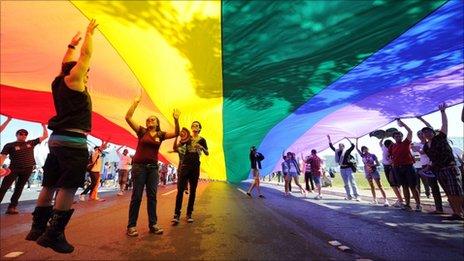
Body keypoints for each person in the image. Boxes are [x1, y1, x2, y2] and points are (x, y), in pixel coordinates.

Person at [26, 20, 98, 254]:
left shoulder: (59, 81)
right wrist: (88, 35)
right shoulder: (74, 82)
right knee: (68, 187)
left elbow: (63, 64)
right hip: (71, 143)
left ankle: (37, 228)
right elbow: (85, 56)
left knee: (48, 184)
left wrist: (70, 45)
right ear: (77, 71)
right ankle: (53, 234)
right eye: (85, 71)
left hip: (57, 141)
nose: (87, 74)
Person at [125, 90, 180, 236]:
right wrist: (135, 103)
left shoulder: (161, 135)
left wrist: (176, 119)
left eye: (153, 119)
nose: (150, 121)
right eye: (148, 119)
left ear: (157, 123)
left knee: (152, 197)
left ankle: (153, 224)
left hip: (153, 169)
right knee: (136, 196)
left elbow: (176, 133)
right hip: (139, 168)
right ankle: (131, 226)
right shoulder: (142, 132)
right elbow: (128, 117)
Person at [422, 103, 463, 220]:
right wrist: (429, 167)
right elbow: (432, 159)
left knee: (457, 192)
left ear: (433, 132)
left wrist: (443, 112)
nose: (426, 133)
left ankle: (460, 211)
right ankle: (457, 213)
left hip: (450, 168)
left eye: (428, 131)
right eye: (424, 132)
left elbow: (444, 124)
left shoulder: (440, 138)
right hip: (439, 171)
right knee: (449, 193)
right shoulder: (426, 147)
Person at [0, 124, 48, 214]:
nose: (23, 135)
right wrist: (0, 166)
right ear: (17, 135)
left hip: (28, 169)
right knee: (4, 187)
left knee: (19, 188)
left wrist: (43, 126)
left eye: (25, 134)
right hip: (13, 169)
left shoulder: (30, 143)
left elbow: (45, 136)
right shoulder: (9, 145)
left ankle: (12, 207)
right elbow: (3, 156)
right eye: (21, 134)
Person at [172, 121, 208, 224]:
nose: (194, 126)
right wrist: (177, 138)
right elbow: (176, 147)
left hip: (195, 166)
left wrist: (202, 148)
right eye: (193, 125)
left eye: (197, 125)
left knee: (193, 191)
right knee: (180, 190)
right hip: (185, 165)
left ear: (199, 128)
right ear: (191, 128)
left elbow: (207, 153)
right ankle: (176, 215)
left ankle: (189, 214)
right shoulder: (186, 137)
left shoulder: (202, 140)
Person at [389, 119, 421, 211]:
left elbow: (410, 131)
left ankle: (418, 205)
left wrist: (403, 124)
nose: (398, 137)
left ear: (402, 137)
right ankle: (407, 204)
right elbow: (392, 157)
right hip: (398, 169)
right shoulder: (392, 146)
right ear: (394, 138)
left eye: (399, 135)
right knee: (404, 186)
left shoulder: (406, 143)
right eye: (396, 136)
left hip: (408, 167)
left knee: (413, 186)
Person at [414, 116, 443, 214]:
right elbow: (419, 154)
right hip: (425, 166)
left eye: (422, 133)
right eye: (419, 134)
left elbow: (430, 128)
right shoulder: (422, 145)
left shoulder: (432, 141)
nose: (421, 135)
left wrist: (421, 119)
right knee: (433, 186)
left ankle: (457, 209)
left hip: (435, 165)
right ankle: (439, 208)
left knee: (444, 185)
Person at [355, 139, 388, 206]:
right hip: (367, 171)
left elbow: (378, 163)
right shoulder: (363, 156)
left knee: (380, 186)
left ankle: (386, 200)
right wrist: (357, 140)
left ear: (368, 149)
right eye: (363, 149)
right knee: (371, 186)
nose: (364, 150)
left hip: (374, 170)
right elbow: (357, 149)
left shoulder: (373, 155)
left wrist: (372, 165)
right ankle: (374, 199)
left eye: (365, 148)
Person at [327, 135, 360, 201]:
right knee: (346, 183)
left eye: (341, 146)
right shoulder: (337, 152)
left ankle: (357, 196)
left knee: (352, 182)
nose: (340, 147)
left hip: (348, 169)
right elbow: (331, 147)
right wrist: (329, 139)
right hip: (342, 169)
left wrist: (348, 139)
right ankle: (349, 196)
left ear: (343, 147)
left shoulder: (347, 152)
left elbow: (352, 146)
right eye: (339, 146)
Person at [378, 137, 403, 207]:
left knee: (394, 184)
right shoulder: (385, 147)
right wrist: (383, 136)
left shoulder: (394, 148)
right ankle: (399, 199)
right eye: (387, 145)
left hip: (391, 166)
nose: (388, 146)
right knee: (394, 184)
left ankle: (400, 200)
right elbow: (380, 143)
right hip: (387, 166)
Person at [173, 127, 191, 194]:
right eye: (181, 132)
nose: (181, 133)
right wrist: (176, 138)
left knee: (185, 176)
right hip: (181, 163)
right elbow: (175, 148)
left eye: (183, 132)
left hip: (187, 163)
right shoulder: (180, 144)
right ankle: (180, 188)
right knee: (179, 175)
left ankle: (186, 188)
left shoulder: (188, 142)